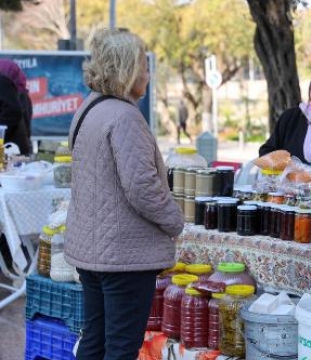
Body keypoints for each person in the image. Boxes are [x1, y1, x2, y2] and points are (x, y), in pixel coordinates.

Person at [64, 29, 184, 360]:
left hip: (93, 251)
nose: (147, 73)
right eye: (143, 65)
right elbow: (142, 187)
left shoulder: (88, 108)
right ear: (127, 69)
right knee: (120, 347)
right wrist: (175, 221)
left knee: (94, 341)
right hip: (124, 257)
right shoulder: (124, 116)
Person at [0, 59, 32, 155]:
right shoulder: (19, 92)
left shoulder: (3, 82)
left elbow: (13, 112)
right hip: (16, 148)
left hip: (10, 151)